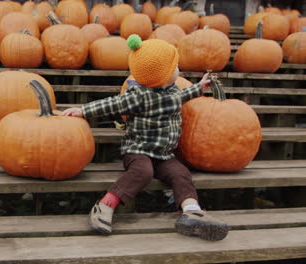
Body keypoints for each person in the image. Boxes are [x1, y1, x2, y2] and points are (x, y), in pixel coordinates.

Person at [61, 35, 229, 241]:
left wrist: (200, 87)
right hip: (138, 150)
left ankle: (191, 212)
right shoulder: (139, 96)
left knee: (180, 173)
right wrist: (83, 110)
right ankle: (106, 204)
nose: (179, 70)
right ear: (162, 75)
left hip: (164, 154)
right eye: (175, 66)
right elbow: (113, 104)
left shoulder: (173, 90)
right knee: (143, 172)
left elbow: (182, 96)